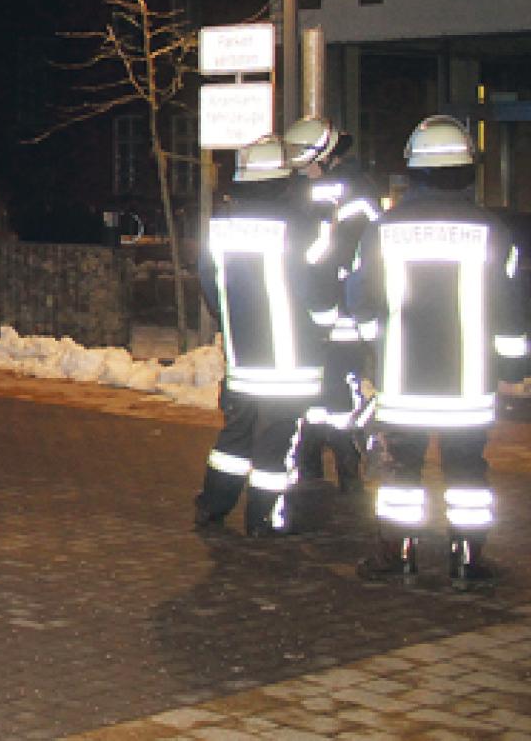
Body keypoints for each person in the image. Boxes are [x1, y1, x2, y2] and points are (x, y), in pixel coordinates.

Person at [349, 115, 527, 589]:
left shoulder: (383, 230)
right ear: (467, 170)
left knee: (402, 470)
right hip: (468, 385)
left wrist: (377, 346)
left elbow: (359, 301)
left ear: (414, 170)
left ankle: (399, 555)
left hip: (402, 382)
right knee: (467, 471)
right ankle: (467, 560)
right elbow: (512, 309)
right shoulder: (493, 230)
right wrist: (512, 365)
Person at [194, 135, 340, 536]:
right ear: (283, 180)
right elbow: (318, 291)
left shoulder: (219, 227)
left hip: (243, 357)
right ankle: (263, 519)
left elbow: (210, 284)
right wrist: (326, 327)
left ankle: (212, 507)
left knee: (234, 438)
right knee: (277, 443)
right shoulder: (301, 226)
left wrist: (232, 323)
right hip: (290, 363)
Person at [283, 117, 381, 493]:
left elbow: (350, 259)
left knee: (339, 395)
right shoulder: (315, 190)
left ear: (325, 156)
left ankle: (348, 467)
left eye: (307, 165)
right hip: (319, 314)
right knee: (316, 395)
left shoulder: (353, 196)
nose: (303, 172)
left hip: (343, 316)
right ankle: (315, 467)